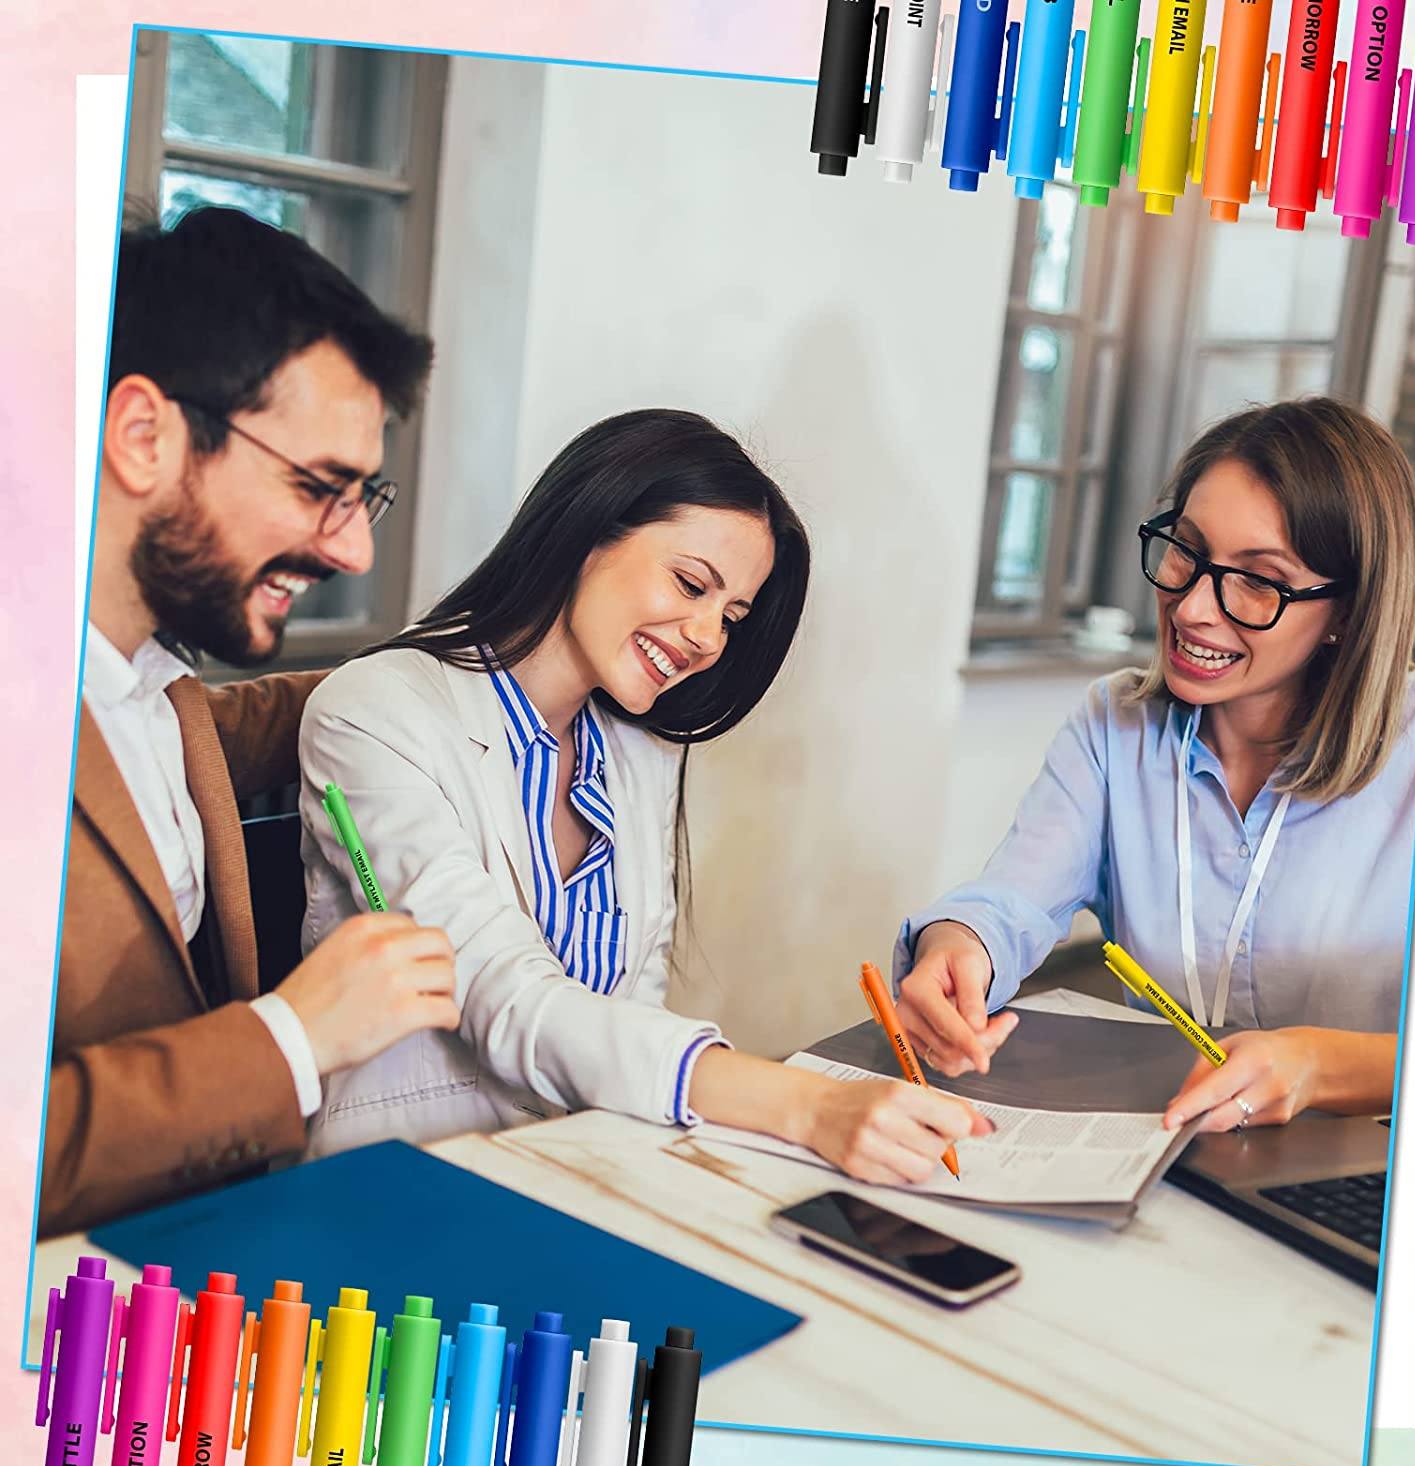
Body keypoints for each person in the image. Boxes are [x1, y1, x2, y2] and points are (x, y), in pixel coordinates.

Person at [299, 408, 991, 1184]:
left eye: (731, 615)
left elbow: (637, 1003)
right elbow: (503, 996)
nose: (707, 638)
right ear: (586, 531)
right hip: (410, 1181)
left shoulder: (638, 749)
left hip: (590, 1170)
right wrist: (805, 1104)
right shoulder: (375, 711)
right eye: (691, 584)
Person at [42, 207, 460, 1235]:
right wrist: (293, 1037)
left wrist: (476, 661)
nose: (353, 551)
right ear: (145, 436)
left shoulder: (152, 688)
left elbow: (243, 726)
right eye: (319, 487)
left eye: (366, 497)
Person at [893, 397, 1415, 1134]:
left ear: (1346, 612)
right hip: (1176, 1141)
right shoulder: (1115, 727)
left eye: (1257, 580)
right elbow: (1010, 900)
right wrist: (957, 949)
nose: (1194, 607)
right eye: (1187, 550)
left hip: (1372, 1180)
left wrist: (1315, 1066)